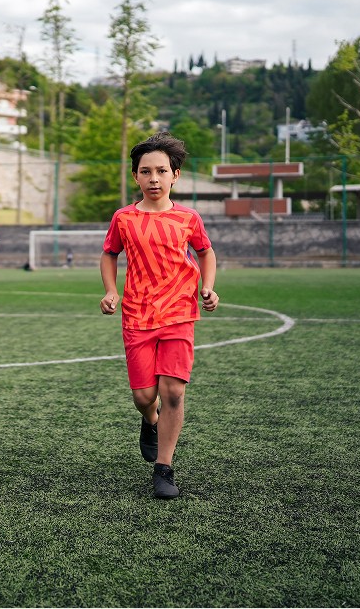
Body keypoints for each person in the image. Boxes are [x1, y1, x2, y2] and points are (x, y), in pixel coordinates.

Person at [99, 132, 219, 499]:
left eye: (161, 171)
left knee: (173, 392)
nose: (154, 178)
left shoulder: (188, 218)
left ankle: (163, 468)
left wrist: (209, 288)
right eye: (146, 171)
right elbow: (109, 254)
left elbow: (206, 252)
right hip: (137, 315)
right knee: (143, 395)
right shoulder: (124, 218)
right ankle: (148, 421)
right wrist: (110, 290)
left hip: (180, 312)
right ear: (135, 176)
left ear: (175, 176)